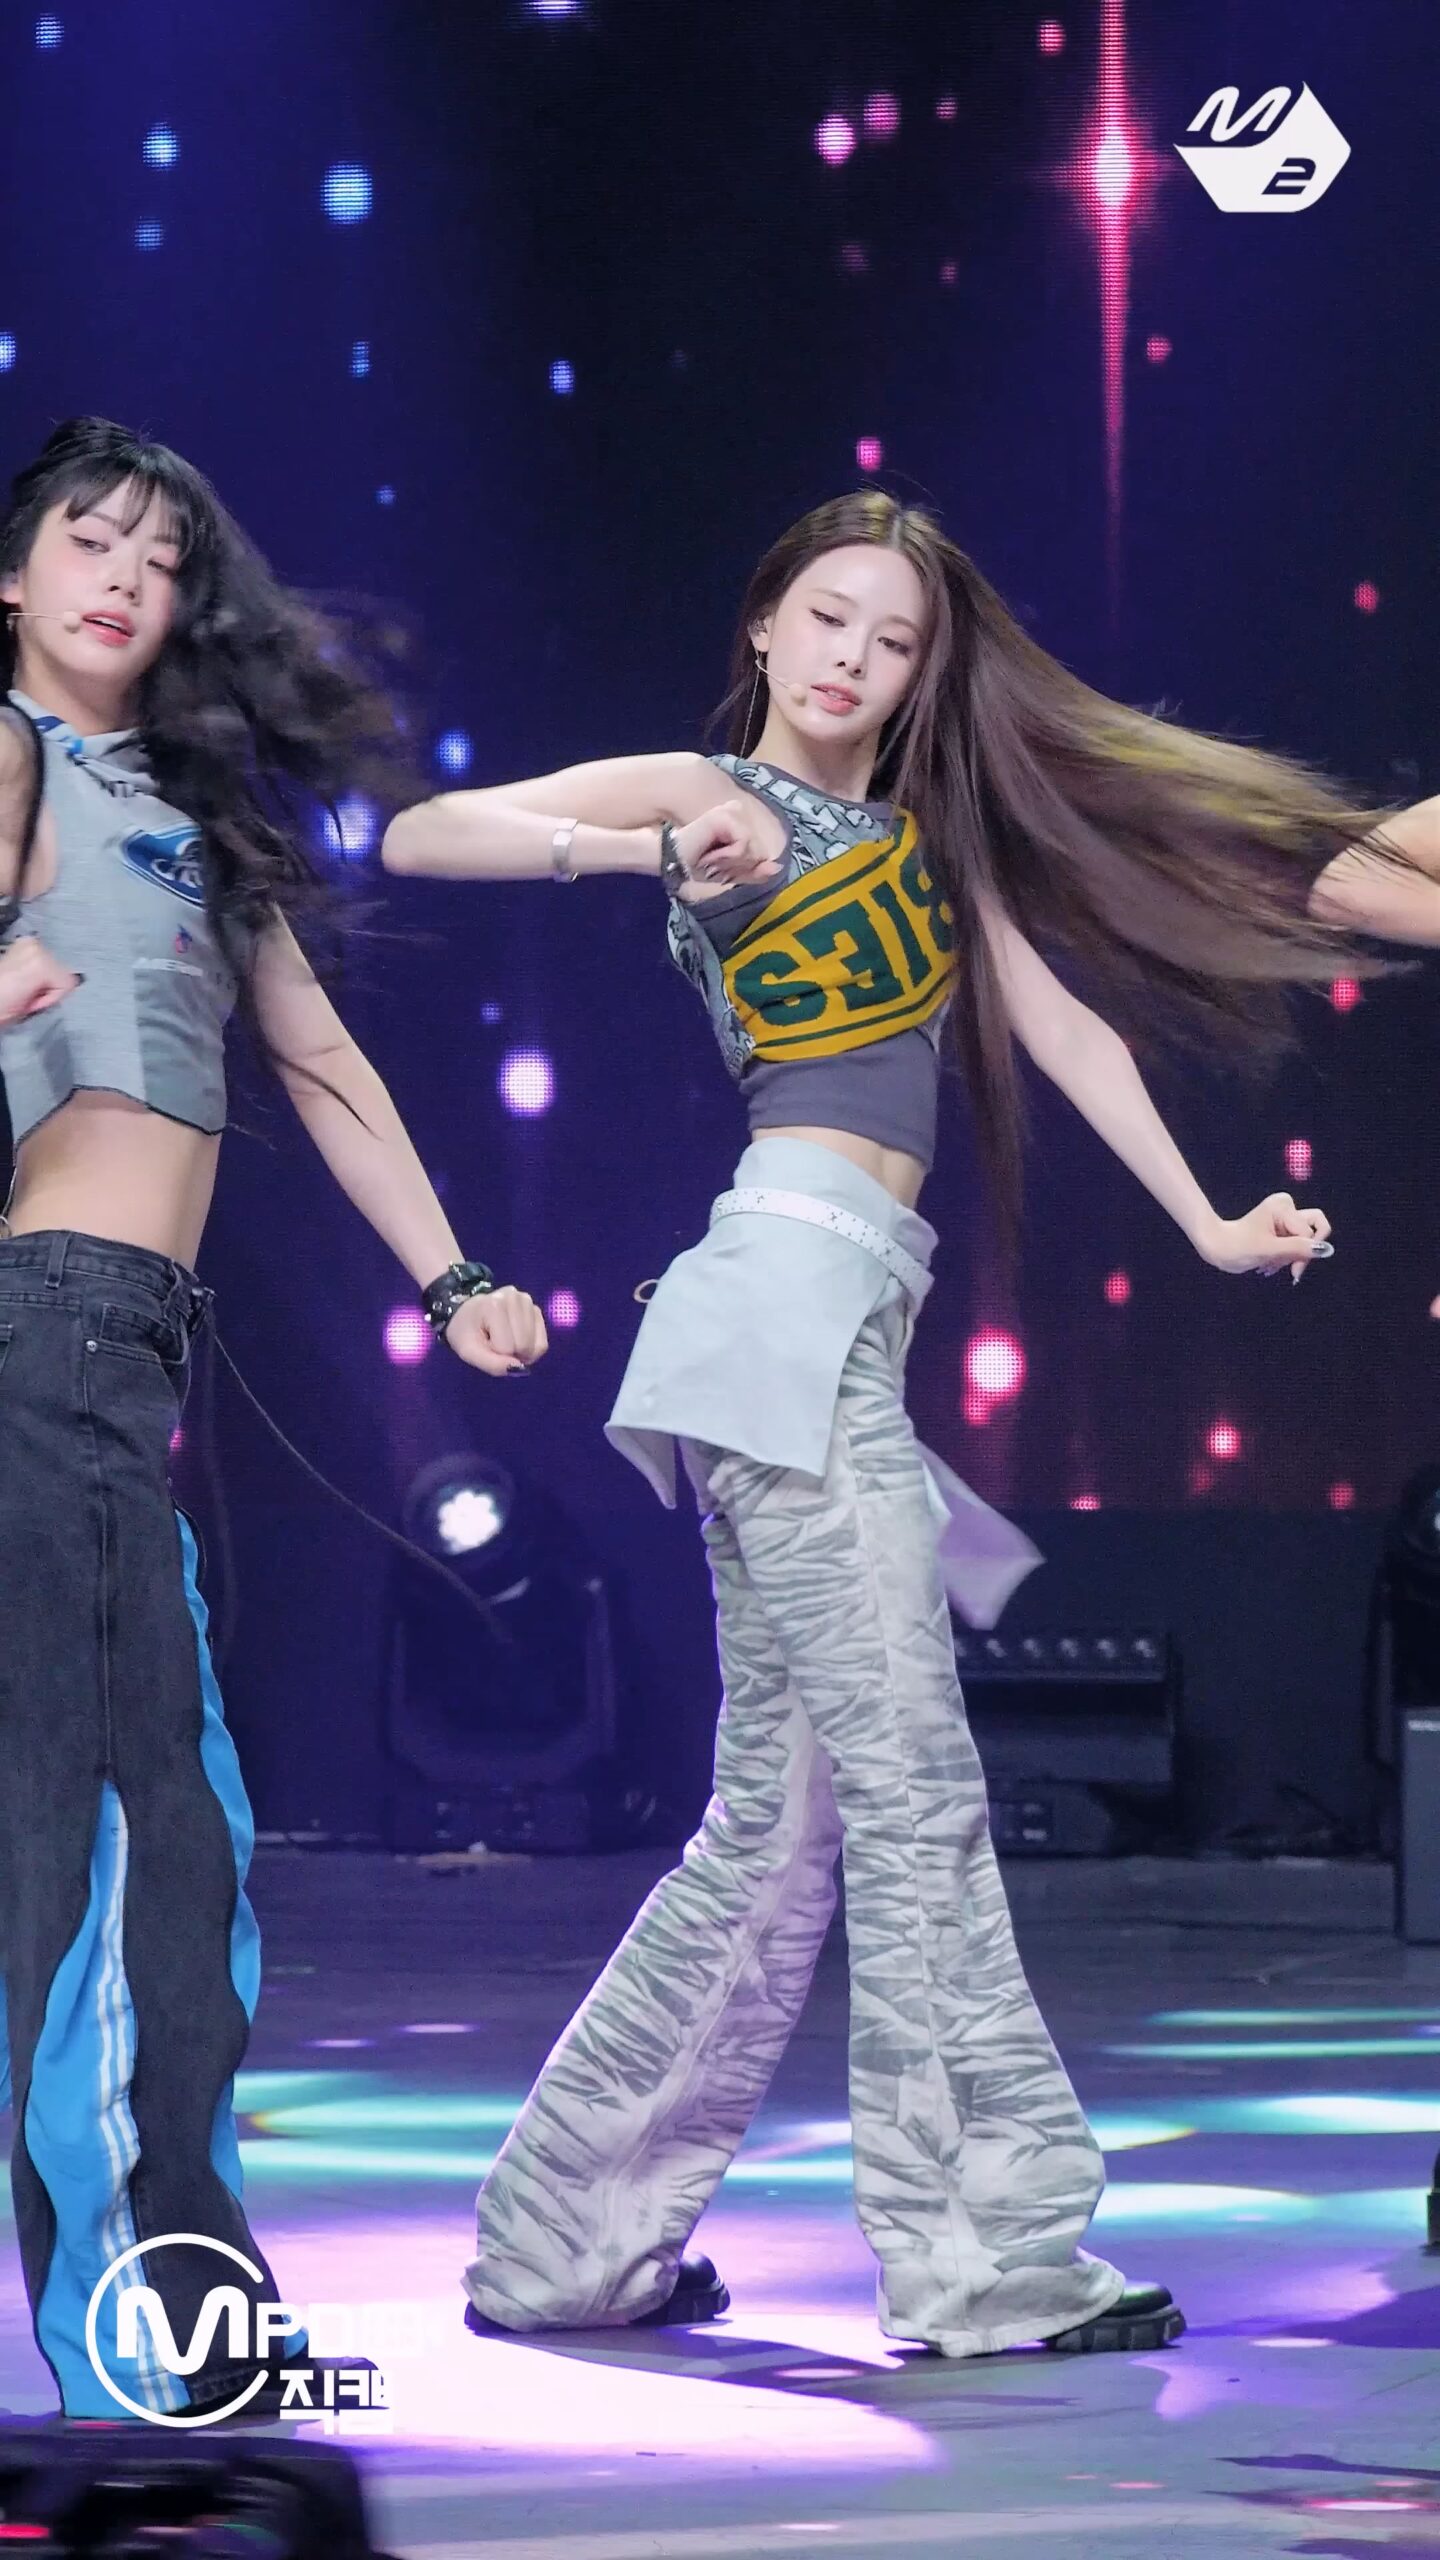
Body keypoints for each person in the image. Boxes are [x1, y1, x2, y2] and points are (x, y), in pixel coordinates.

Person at [382, 488, 1401, 2360]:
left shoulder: (922, 844)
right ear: (767, 625)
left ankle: (564, 2243)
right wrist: (641, 851)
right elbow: (422, 831)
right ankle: (985, 2258)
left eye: (898, 638)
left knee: (778, 1828)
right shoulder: (717, 793)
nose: (857, 657)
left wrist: (1208, 1222)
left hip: (835, 1319)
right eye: (831, 618)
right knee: (913, 1796)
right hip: (778, 1312)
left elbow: (1067, 1032)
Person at [0, 416, 547, 2421]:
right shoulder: (6, 752)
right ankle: (156, 2335)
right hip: (46, 1332)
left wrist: (456, 1277)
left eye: (160, 557)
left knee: (149, 1831)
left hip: (116, 1353)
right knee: (142, 1843)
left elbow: (317, 1065)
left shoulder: (183, 810)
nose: (124, 580)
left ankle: (160, 2320)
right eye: (87, 539)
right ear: (11, 571)